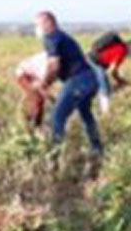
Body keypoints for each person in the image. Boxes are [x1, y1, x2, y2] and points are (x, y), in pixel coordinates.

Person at [35, 11, 103, 155]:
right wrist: (50, 81)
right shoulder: (63, 36)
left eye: (38, 24)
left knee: (57, 116)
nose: (38, 28)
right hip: (91, 79)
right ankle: (96, 148)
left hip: (78, 80)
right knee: (86, 113)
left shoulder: (51, 38)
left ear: (48, 23)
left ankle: (55, 155)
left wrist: (44, 82)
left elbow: (54, 65)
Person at [14, 51, 52, 130]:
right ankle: (30, 125)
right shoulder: (47, 65)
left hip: (34, 75)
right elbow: (42, 87)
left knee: (41, 101)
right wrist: (53, 99)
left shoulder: (55, 57)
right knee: (36, 98)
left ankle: (37, 125)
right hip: (23, 74)